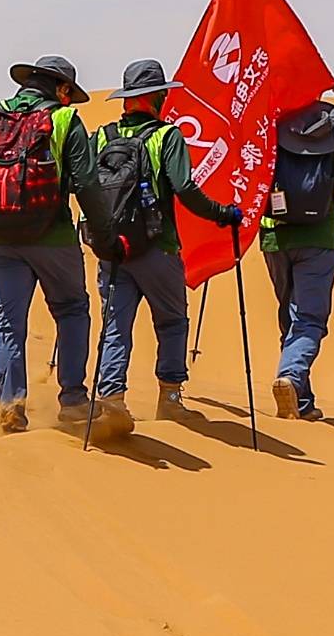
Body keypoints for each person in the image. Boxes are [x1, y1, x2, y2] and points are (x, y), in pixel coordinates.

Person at [76, 59, 243, 444]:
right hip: (157, 247)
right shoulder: (166, 137)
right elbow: (185, 188)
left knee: (115, 326)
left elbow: (82, 184)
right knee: (171, 321)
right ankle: (169, 397)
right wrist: (222, 214)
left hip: (111, 250)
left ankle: (112, 399)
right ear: (156, 98)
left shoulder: (101, 137)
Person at [0, 52, 93, 435]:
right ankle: (73, 400)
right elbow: (86, 183)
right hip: (53, 236)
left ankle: (11, 403)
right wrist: (103, 232)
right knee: (72, 309)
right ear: (61, 89)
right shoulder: (64, 120)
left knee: (8, 323)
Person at [259, 99, 334, 421]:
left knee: (290, 317)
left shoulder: (271, 125)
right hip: (319, 239)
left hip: (275, 238)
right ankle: (291, 378)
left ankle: (300, 402)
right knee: (309, 319)